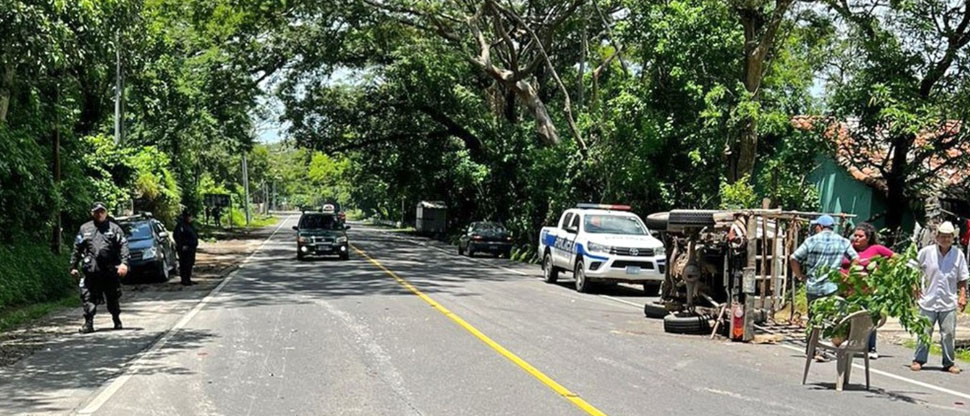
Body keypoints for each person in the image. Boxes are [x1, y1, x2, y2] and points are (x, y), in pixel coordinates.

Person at [791, 214, 859, 360]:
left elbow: (794, 258)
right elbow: (855, 258)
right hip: (832, 286)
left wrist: (800, 275)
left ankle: (812, 349)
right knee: (828, 319)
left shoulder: (811, 241)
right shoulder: (843, 241)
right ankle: (822, 349)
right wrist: (848, 276)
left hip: (813, 286)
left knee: (813, 319)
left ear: (820, 227)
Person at [912, 221, 968, 374]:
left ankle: (948, 362)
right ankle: (919, 360)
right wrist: (914, 288)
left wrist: (962, 296)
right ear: (937, 237)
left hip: (948, 300)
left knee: (948, 334)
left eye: (948, 237)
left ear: (952, 238)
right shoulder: (926, 252)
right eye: (942, 236)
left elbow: (962, 278)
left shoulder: (958, 255)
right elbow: (912, 270)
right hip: (928, 299)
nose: (945, 239)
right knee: (924, 332)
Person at [69, 202, 130, 333]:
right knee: (88, 297)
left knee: (113, 297)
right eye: (96, 212)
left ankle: (116, 319)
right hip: (92, 271)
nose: (99, 214)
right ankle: (88, 323)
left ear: (106, 212)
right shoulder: (85, 228)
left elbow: (123, 246)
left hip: (110, 270)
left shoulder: (114, 228)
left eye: (102, 211)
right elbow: (77, 248)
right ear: (92, 213)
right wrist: (73, 266)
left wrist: (124, 263)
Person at [841, 222, 894, 359]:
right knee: (848, 318)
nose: (856, 238)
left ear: (868, 238)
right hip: (849, 291)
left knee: (870, 318)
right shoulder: (849, 249)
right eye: (855, 235)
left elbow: (896, 259)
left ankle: (871, 347)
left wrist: (882, 273)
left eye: (860, 236)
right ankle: (849, 344)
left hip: (868, 291)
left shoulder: (876, 249)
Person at [173, 210, 200, 286]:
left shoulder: (190, 225)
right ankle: (184, 280)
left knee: (190, 263)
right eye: (188, 216)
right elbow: (177, 236)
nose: (190, 218)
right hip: (185, 248)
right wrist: (182, 245)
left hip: (191, 248)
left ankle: (188, 279)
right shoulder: (181, 226)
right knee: (185, 264)